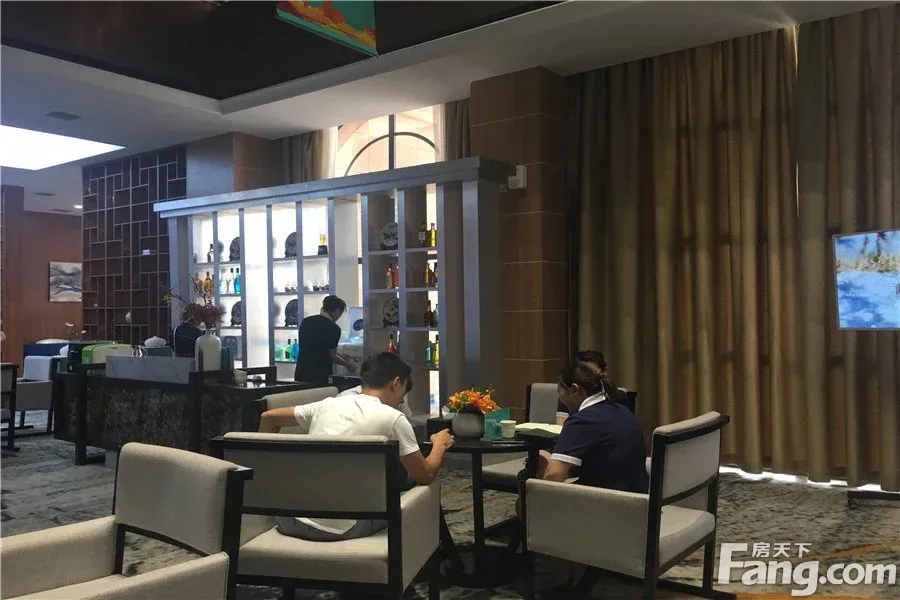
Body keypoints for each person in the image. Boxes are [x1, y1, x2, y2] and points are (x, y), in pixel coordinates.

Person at [258, 352, 454, 542]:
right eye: (403, 392)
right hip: (345, 527)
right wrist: (439, 444)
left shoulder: (327, 405)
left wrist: (265, 474)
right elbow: (425, 475)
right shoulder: (393, 418)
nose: (401, 400)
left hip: (289, 520)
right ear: (395, 383)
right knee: (409, 482)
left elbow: (268, 418)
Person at [538, 363, 647, 491]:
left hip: (604, 498)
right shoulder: (622, 410)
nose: (560, 398)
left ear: (574, 389)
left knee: (530, 492)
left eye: (559, 392)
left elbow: (553, 476)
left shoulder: (582, 421)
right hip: (639, 496)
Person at [293, 295, 357, 386]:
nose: (339, 316)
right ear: (337, 310)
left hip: (301, 372)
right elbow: (332, 356)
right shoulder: (333, 328)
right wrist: (347, 364)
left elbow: (318, 347)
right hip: (319, 375)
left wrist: (342, 356)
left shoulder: (306, 322)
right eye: (341, 313)